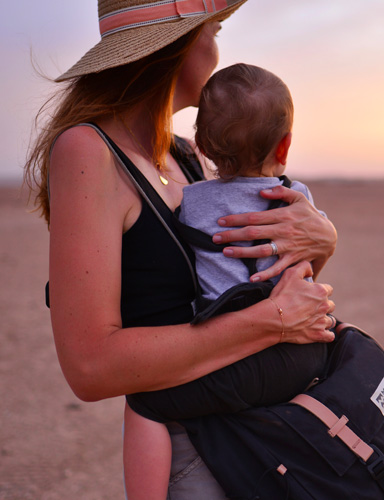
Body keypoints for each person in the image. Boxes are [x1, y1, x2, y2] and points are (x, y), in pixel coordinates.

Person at [24, 1, 337, 498]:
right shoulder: (89, 151)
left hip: (256, 439)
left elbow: (243, 274)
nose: (217, 49)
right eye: (213, 31)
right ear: (178, 45)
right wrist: (273, 321)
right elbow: (89, 367)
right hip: (192, 459)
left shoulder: (185, 155)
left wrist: (323, 238)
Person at [123, 62, 331, 499]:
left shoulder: (192, 202)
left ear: (200, 144)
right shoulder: (298, 198)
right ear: (286, 145)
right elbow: (310, 260)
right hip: (304, 350)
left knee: (145, 404)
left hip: (240, 354)